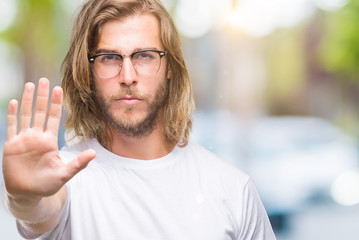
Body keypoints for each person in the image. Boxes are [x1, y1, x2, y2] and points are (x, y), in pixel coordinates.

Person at [2, 0, 276, 239]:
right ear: (88, 73)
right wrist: (24, 196)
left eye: (144, 56)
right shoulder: (65, 177)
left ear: (170, 67)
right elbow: (39, 210)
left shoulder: (233, 189)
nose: (128, 75)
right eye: (109, 58)